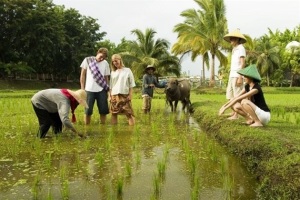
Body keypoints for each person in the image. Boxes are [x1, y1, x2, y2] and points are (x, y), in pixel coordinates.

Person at [80, 47, 110, 125]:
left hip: (102, 89)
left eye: (103, 58)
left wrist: (107, 90)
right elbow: (82, 75)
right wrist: (82, 88)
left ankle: (103, 126)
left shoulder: (105, 63)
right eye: (101, 56)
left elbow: (106, 77)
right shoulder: (87, 60)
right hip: (89, 89)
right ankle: (87, 127)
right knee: (88, 111)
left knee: (103, 110)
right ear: (97, 53)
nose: (101, 59)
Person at [223, 29, 247, 119]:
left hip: (237, 75)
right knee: (230, 95)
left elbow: (242, 63)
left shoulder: (241, 48)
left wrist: (240, 76)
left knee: (237, 96)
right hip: (232, 75)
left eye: (232, 39)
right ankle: (233, 112)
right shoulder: (234, 49)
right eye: (230, 39)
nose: (231, 40)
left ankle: (236, 115)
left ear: (237, 39)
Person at [109, 54, 136, 125]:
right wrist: (110, 96)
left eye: (116, 60)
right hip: (114, 95)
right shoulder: (113, 72)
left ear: (120, 60)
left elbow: (131, 84)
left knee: (129, 113)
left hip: (124, 95)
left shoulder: (127, 70)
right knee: (114, 114)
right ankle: (114, 132)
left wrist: (130, 95)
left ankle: (132, 130)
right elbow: (111, 86)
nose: (115, 62)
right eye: (113, 61)